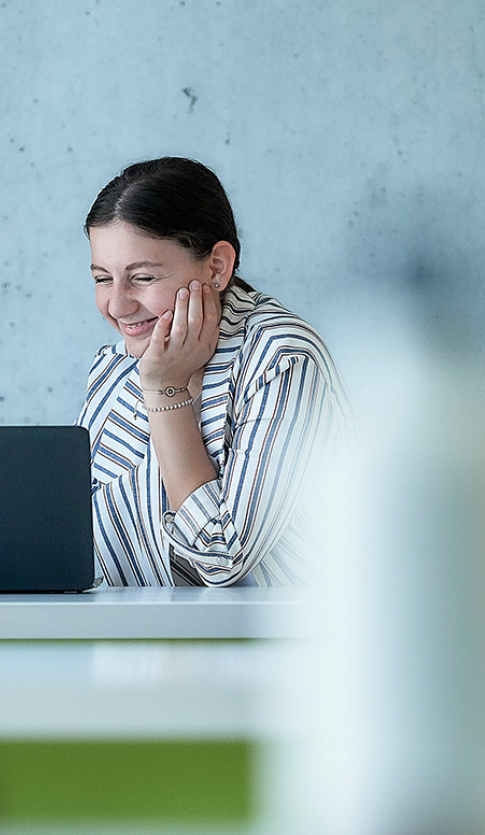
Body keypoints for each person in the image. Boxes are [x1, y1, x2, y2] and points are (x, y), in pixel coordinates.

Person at [76, 157, 347, 587]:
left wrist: (165, 390)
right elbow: (81, 544)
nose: (118, 305)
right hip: (140, 626)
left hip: (268, 630)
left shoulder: (283, 359)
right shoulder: (114, 367)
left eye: (142, 278)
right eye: (102, 279)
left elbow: (222, 558)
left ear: (217, 267)